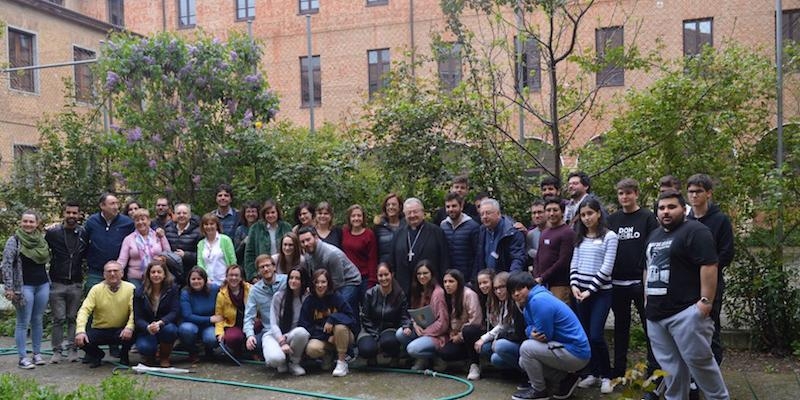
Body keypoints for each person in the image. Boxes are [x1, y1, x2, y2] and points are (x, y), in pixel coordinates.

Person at [645, 190, 729, 400]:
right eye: (662, 208)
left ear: (683, 209)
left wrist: (705, 303)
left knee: (701, 364)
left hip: (686, 313)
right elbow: (646, 267)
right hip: (656, 315)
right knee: (670, 368)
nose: (666, 211)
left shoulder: (696, 231)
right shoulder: (654, 235)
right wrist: (647, 300)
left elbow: (709, 265)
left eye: (671, 207)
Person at [606, 179, 659, 380]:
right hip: (617, 283)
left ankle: (654, 370)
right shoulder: (612, 220)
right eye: (621, 193)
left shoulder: (647, 218)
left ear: (636, 193)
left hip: (640, 283)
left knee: (650, 328)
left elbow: (653, 248)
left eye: (628, 193)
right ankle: (618, 370)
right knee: (620, 328)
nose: (624, 197)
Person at [508, 271, 590, 400]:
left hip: (575, 352)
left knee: (526, 348)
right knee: (523, 361)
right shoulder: (533, 299)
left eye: (519, 288)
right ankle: (567, 379)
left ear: (529, 286)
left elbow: (544, 336)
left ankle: (539, 391)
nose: (516, 294)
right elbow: (531, 329)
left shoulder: (538, 300)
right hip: (566, 349)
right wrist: (530, 332)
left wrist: (530, 332)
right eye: (513, 292)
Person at [570, 198, 618, 394]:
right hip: (579, 292)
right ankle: (592, 373)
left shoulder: (610, 236)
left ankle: (607, 376)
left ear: (599, 213)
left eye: (590, 213)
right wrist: (574, 285)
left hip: (600, 293)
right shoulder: (579, 236)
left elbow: (607, 267)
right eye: (583, 215)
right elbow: (574, 262)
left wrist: (590, 290)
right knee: (585, 335)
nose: (587, 218)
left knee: (597, 335)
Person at [686, 173, 734, 366]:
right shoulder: (685, 221)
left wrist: (707, 269)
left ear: (708, 194)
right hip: (687, 284)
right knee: (688, 329)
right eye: (690, 192)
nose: (694, 196)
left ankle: (714, 374)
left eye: (698, 191)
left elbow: (727, 252)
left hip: (712, 285)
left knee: (710, 328)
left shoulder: (720, 220)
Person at [2, 210, 52, 369]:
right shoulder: (14, 241)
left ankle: (37, 354)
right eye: (25, 221)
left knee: (37, 320)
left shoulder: (42, 241)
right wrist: (9, 287)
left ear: (37, 223)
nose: (28, 224)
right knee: (23, 322)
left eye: (31, 222)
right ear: (21, 222)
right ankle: (23, 358)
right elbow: (7, 265)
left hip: (42, 284)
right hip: (23, 286)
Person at [45, 201, 88, 363]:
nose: (71, 216)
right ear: (64, 214)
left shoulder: (84, 233)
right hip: (57, 282)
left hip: (76, 283)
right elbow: (42, 250)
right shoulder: (53, 233)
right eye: (68, 213)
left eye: (74, 213)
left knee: (72, 317)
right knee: (58, 318)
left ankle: (73, 349)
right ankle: (56, 350)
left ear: (79, 215)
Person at [74, 261, 135, 368]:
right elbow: (84, 310)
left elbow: (134, 311)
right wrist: (80, 331)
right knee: (80, 340)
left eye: (115, 271)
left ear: (122, 273)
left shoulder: (130, 288)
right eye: (109, 271)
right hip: (101, 329)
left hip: (121, 330)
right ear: (104, 275)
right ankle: (97, 355)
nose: (112, 274)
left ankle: (124, 356)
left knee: (135, 331)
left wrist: (129, 327)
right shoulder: (96, 289)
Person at [299, 269, 357, 377]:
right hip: (324, 338)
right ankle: (329, 355)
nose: (320, 285)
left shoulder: (336, 297)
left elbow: (351, 317)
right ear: (313, 284)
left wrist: (332, 318)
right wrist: (326, 337)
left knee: (340, 327)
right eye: (317, 282)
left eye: (323, 282)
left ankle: (342, 362)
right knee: (311, 349)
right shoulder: (309, 301)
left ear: (328, 283)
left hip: (343, 336)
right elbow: (304, 325)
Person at [298, 226, 362, 323]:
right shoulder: (308, 255)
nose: (306, 244)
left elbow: (338, 282)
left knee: (340, 306)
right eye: (302, 242)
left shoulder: (331, 254)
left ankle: (353, 331)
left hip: (349, 281)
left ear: (316, 237)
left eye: (308, 240)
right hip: (327, 283)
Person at [395, 261, 450, 371]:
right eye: (419, 274)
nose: (422, 276)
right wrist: (415, 325)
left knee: (412, 349)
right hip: (421, 329)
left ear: (432, 274)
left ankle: (435, 357)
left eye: (425, 273)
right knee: (401, 334)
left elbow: (443, 322)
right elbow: (415, 314)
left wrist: (425, 333)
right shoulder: (417, 290)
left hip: (436, 334)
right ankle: (422, 358)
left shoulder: (438, 293)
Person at [391, 198, 450, 295]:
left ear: (423, 212)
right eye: (409, 213)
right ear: (404, 215)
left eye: (415, 212)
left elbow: (444, 260)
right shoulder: (398, 234)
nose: (412, 215)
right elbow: (392, 261)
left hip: (429, 288)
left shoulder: (436, 232)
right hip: (404, 288)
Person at [475, 272, 525, 380]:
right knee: (494, 357)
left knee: (500, 346)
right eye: (496, 288)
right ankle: (516, 372)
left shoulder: (517, 303)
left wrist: (497, 337)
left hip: (523, 341)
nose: (498, 291)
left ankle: (528, 374)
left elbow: (517, 332)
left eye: (502, 287)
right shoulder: (502, 302)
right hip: (511, 338)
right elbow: (503, 325)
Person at [358, 262, 411, 365]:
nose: (383, 278)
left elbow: (404, 316)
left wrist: (406, 326)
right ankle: (372, 355)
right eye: (380, 275)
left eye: (386, 274)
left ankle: (394, 356)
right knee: (366, 349)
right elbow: (365, 317)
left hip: (389, 329)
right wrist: (375, 334)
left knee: (389, 342)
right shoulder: (370, 294)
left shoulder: (400, 294)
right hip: (369, 330)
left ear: (392, 274)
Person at [243, 255, 288, 372]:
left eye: (268, 265)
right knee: (266, 352)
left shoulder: (287, 281)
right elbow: (249, 316)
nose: (266, 269)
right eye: (262, 267)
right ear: (258, 271)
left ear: (274, 267)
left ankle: (292, 360)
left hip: (289, 328)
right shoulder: (255, 290)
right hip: (270, 331)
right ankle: (280, 359)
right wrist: (249, 335)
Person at [438, 269, 484, 380]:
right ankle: (465, 360)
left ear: (458, 282)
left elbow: (476, 321)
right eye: (445, 282)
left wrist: (460, 336)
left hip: (473, 334)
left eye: (451, 281)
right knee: (445, 353)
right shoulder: (449, 296)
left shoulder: (469, 295)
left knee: (469, 330)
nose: (447, 285)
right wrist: (451, 334)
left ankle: (475, 364)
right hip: (457, 335)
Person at [84, 193, 134, 292]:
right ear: (102, 206)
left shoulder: (127, 223)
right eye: (112, 204)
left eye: (117, 203)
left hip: (118, 272)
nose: (116, 207)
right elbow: (84, 242)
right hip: (96, 271)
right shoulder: (91, 222)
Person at [267, 266, 312, 376]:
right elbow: (273, 323)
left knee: (302, 332)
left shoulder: (307, 298)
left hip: (293, 335)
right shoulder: (279, 296)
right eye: (291, 278)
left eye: (297, 278)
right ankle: (282, 360)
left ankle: (294, 362)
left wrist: (286, 338)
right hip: (276, 335)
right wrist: (281, 341)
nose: (293, 281)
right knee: (276, 360)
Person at [133, 260, 180, 367]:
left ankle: (164, 357)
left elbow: (175, 311)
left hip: (164, 324)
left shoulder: (172, 289)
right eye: (153, 272)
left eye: (159, 272)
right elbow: (137, 317)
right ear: (148, 275)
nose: (156, 275)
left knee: (171, 330)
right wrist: (147, 327)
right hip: (147, 328)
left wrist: (160, 323)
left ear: (164, 274)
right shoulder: (140, 292)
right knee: (144, 347)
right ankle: (150, 357)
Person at [532, 197, 575, 302]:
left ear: (562, 212)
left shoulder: (567, 233)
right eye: (548, 210)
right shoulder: (545, 232)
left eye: (555, 210)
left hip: (559, 285)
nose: (551, 213)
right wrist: (536, 276)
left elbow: (564, 261)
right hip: (541, 284)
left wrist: (543, 277)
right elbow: (538, 256)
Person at [117, 209, 171, 290]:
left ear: (149, 221)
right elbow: (122, 260)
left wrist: (162, 257)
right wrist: (115, 271)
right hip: (136, 277)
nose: (140, 222)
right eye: (137, 220)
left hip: (156, 276)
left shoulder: (158, 235)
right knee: (138, 297)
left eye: (143, 219)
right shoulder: (129, 239)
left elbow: (168, 253)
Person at [178, 267, 222, 363]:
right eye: (193, 279)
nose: (196, 281)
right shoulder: (185, 293)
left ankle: (209, 351)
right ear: (189, 280)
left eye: (199, 279)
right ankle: (192, 351)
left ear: (205, 279)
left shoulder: (214, 289)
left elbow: (227, 289)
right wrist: (209, 319)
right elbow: (187, 315)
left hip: (209, 326)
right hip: (191, 323)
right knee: (186, 330)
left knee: (211, 338)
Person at [475, 198, 526, 275]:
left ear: (498, 213)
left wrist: (511, 280)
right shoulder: (482, 230)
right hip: (487, 281)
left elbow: (518, 258)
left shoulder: (512, 231)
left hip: (505, 280)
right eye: (482, 214)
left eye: (488, 213)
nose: (484, 217)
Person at [244, 199, 292, 281]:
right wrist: (253, 275)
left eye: (273, 212)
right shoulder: (256, 228)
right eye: (267, 213)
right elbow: (249, 254)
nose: (270, 215)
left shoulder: (286, 227)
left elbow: (293, 249)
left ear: (277, 213)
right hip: (262, 272)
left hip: (283, 271)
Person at [440, 192, 480, 286]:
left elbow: (478, 255)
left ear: (461, 206)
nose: (451, 209)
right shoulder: (443, 226)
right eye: (448, 206)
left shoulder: (473, 226)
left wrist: (473, 279)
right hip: (449, 280)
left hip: (467, 279)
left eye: (454, 206)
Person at [341, 204, 378, 303]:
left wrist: (372, 281)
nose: (356, 218)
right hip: (348, 278)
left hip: (364, 278)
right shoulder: (344, 232)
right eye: (353, 216)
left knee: (367, 309)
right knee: (349, 306)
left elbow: (372, 259)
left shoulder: (369, 234)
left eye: (359, 216)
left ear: (363, 217)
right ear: (349, 218)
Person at [215, 264, 252, 357]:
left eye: (236, 275)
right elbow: (219, 316)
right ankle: (238, 351)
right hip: (232, 324)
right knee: (232, 338)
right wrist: (219, 333)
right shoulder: (221, 295)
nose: (233, 278)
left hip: (250, 322)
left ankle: (253, 351)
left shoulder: (250, 289)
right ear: (227, 277)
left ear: (241, 278)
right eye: (231, 275)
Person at [164, 203, 203, 281]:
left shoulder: (198, 232)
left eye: (184, 213)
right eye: (178, 213)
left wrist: (185, 255)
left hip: (190, 274)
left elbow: (201, 255)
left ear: (190, 215)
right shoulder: (168, 229)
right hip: (170, 273)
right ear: (174, 215)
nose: (181, 215)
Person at [197, 213, 236, 286]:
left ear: (217, 225)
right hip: (208, 283)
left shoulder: (225, 240)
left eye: (212, 224)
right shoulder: (201, 244)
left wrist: (229, 278)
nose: (209, 226)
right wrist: (205, 279)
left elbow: (232, 261)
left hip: (224, 282)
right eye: (206, 224)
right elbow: (200, 263)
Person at [373, 193, 405, 263]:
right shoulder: (378, 226)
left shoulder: (406, 225)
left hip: (403, 266)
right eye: (388, 205)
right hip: (384, 269)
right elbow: (374, 251)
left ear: (400, 207)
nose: (391, 207)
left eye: (394, 204)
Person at [233, 201, 260, 266]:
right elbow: (236, 254)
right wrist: (243, 243)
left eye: (253, 211)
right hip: (244, 265)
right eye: (248, 212)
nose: (251, 214)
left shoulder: (262, 228)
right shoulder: (240, 230)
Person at [525, 200, 547, 272]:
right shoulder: (530, 235)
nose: (537, 216)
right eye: (534, 213)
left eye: (540, 212)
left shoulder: (557, 232)